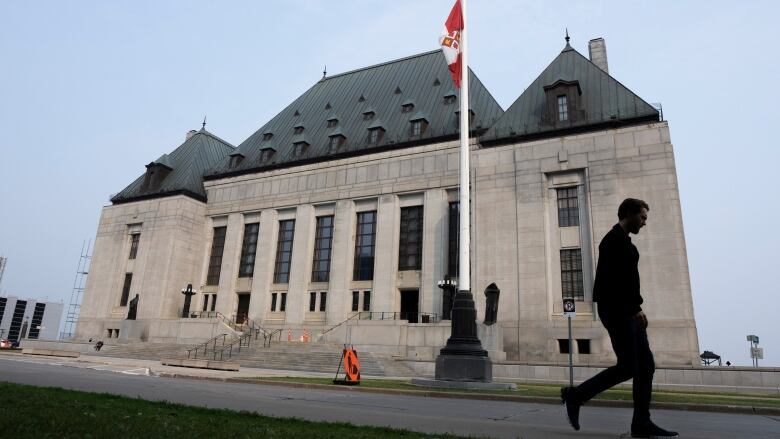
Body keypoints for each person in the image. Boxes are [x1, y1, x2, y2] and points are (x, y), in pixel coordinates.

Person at [561, 198, 678, 438]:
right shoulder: (612, 241)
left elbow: (628, 280)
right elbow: (616, 282)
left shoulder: (624, 242)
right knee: (629, 367)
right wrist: (634, 308)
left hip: (630, 312)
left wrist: (635, 308)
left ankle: (641, 423)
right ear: (629, 214)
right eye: (643, 217)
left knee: (645, 367)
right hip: (618, 311)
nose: (645, 223)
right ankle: (576, 396)